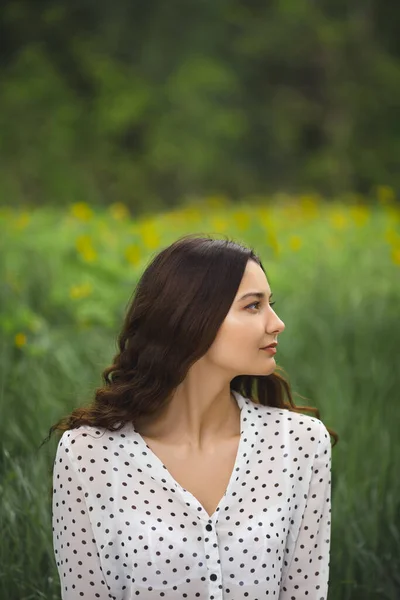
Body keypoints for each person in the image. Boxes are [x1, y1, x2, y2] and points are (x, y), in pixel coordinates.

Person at [46, 233, 338, 599]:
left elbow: (305, 592)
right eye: (252, 306)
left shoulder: (300, 443)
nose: (276, 323)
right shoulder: (87, 453)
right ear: (192, 318)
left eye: (270, 304)